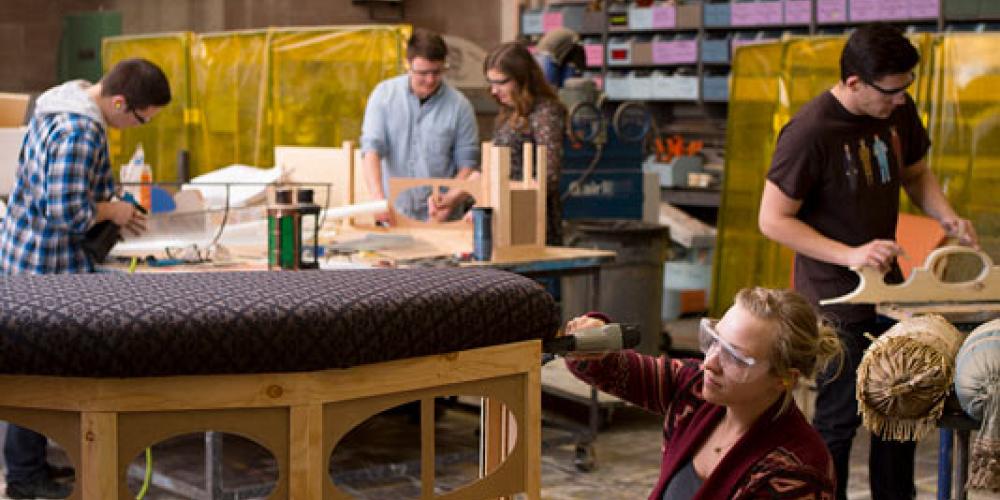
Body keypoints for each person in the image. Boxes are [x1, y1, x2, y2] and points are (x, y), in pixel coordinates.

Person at [757, 23, 978, 500]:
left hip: (892, 292)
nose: (900, 100)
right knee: (839, 420)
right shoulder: (810, 131)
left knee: (901, 410)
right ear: (854, 82)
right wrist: (851, 254)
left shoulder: (896, 109)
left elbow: (916, 173)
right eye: (892, 91)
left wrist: (947, 216)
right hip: (834, 299)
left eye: (906, 89)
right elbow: (772, 220)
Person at [0, 57, 170, 499]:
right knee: (37, 372)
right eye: (138, 118)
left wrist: (113, 200)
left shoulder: (63, 102)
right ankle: (23, 479)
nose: (134, 127)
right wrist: (112, 210)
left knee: (34, 365)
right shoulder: (80, 130)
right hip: (46, 264)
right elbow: (67, 212)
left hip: (27, 252)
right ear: (118, 101)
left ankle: (30, 465)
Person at [565, 287, 841, 499]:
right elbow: (602, 366)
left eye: (735, 357)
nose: (710, 362)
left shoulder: (798, 470)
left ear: (784, 378)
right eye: (714, 340)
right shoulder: (695, 388)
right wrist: (592, 334)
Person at [360, 28, 480, 224]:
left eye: (437, 72)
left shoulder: (460, 106)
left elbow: (467, 165)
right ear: (407, 64)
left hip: (444, 220)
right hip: (394, 216)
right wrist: (378, 199)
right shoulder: (383, 96)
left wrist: (448, 202)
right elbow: (371, 150)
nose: (431, 80)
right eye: (423, 73)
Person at [484, 42, 567, 245]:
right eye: (491, 83)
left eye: (501, 82)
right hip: (503, 219)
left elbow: (549, 176)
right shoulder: (511, 111)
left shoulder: (545, 112)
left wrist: (509, 201)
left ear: (523, 80)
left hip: (531, 226)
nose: (494, 90)